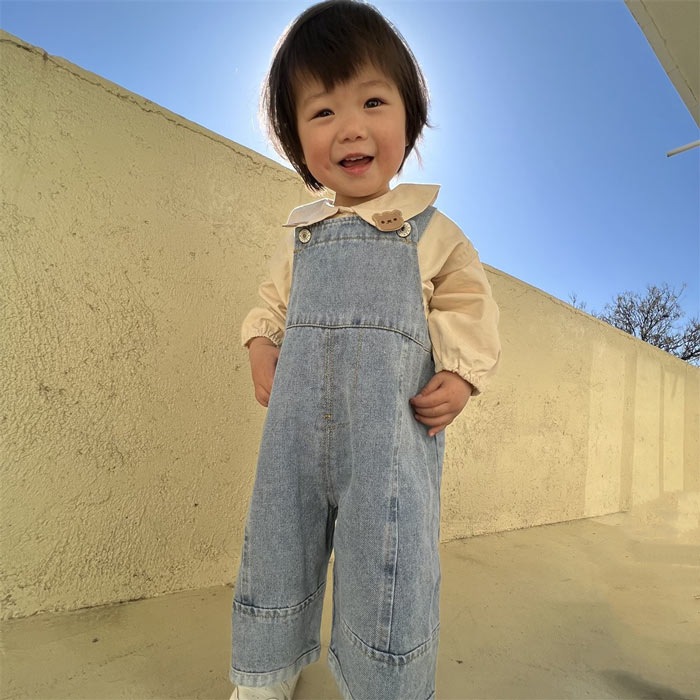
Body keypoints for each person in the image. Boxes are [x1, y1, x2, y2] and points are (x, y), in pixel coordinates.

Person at [229, 1, 501, 698]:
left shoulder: (430, 230)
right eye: (322, 111)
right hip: (294, 435)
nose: (350, 127)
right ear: (296, 137)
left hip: (390, 438)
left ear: (409, 118)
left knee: (390, 558)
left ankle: (381, 681)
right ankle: (266, 671)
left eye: (373, 102)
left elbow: (468, 303)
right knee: (277, 539)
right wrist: (261, 342)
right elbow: (272, 304)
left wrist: (460, 374)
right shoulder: (302, 235)